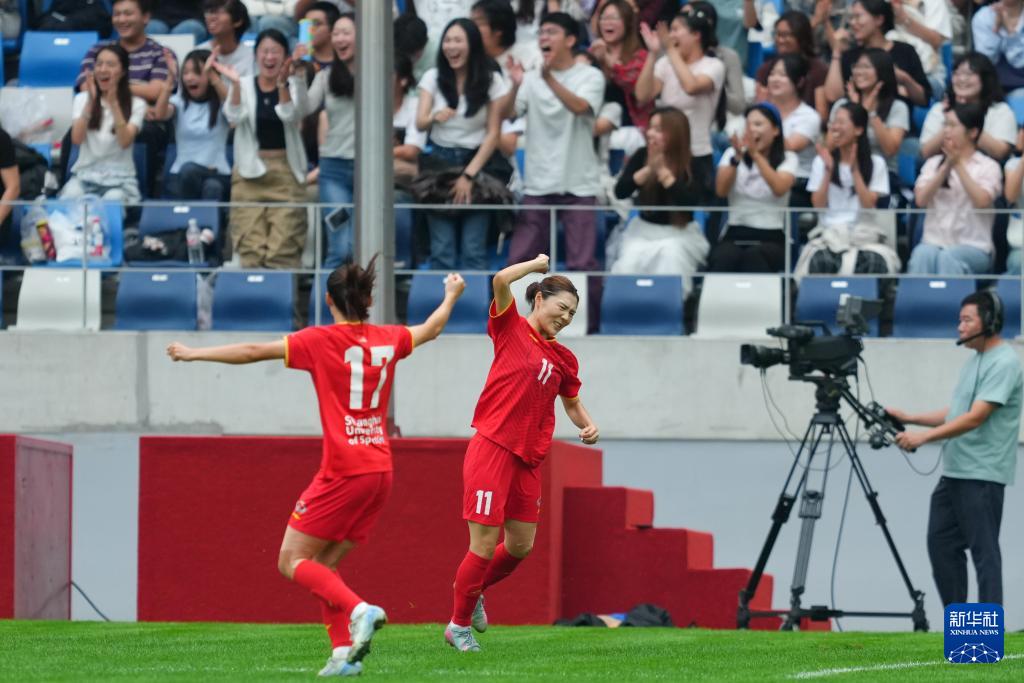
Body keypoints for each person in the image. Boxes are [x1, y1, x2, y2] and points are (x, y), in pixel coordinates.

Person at [167, 258, 468, 676]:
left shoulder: (319, 340)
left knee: (290, 560)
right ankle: (342, 654)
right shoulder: (390, 337)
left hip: (343, 470)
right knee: (322, 566)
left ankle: (360, 610)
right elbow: (431, 329)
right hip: (380, 471)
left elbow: (254, 351)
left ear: (328, 300)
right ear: (368, 301)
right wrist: (451, 295)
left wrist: (194, 353)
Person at [445, 253, 599, 653]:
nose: (566, 318)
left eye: (572, 314)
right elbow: (500, 280)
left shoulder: (564, 358)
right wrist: (535, 263)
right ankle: (458, 626)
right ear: (540, 299)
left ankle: (473, 590)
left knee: (520, 547)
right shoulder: (509, 327)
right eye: (562, 308)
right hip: (493, 446)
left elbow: (571, 402)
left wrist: (587, 423)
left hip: (529, 457)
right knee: (482, 545)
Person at [891, 290, 1023, 608]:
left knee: (984, 553)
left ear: (989, 321)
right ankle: (960, 623)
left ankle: (984, 631)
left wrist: (924, 438)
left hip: (981, 474)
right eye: (959, 320)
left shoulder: (1005, 363)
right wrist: (910, 417)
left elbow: (976, 417)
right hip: (956, 472)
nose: (959, 327)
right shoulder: (974, 361)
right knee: (941, 544)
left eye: (966, 320)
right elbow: (957, 412)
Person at [503, 12, 605, 273]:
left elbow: (580, 107)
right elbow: (508, 113)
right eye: (541, 33)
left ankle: (582, 304)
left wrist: (548, 79)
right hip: (538, 183)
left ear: (570, 40)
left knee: (581, 265)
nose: (543, 38)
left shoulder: (590, 76)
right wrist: (514, 86)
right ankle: (513, 304)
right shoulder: (530, 78)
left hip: (578, 183)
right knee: (520, 263)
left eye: (551, 32)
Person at [415, 18, 505, 271]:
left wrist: (469, 175)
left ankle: (476, 298)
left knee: (473, 250)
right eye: (447, 40)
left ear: (472, 45)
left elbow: (494, 133)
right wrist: (434, 117)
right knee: (441, 249)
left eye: (458, 40)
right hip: (439, 167)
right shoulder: (432, 77)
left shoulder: (491, 80)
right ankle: (443, 299)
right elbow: (420, 123)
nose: (451, 46)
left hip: (477, 165)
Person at [214, 29, 309, 269]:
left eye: (275, 51)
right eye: (264, 51)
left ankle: (284, 293)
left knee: (284, 248)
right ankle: (253, 292)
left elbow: (292, 114)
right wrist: (235, 84)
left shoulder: (295, 84)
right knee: (250, 248)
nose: (269, 57)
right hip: (248, 171)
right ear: (255, 55)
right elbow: (233, 115)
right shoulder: (244, 84)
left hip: (286, 172)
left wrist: (282, 84)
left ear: (285, 56)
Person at [610, 107, 707, 289]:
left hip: (679, 234)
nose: (650, 134)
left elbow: (690, 202)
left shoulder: (692, 163)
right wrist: (648, 169)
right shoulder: (641, 154)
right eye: (650, 128)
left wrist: (664, 173)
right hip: (643, 231)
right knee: (630, 261)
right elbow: (620, 192)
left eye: (658, 130)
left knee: (671, 256)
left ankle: (672, 303)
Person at [796, 101, 897, 276]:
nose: (835, 127)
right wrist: (828, 170)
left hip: (864, 235)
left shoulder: (876, 163)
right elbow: (818, 205)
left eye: (841, 122)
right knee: (820, 261)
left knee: (873, 263)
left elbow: (868, 205)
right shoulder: (821, 162)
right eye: (834, 122)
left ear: (858, 130)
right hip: (829, 234)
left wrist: (855, 171)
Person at [635, 8, 725, 203]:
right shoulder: (665, 63)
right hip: (664, 153)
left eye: (676, 29)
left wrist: (670, 50)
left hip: (697, 152)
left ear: (696, 35)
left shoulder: (713, 66)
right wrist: (653, 54)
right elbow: (642, 95)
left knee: (692, 209)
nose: (671, 35)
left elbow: (691, 86)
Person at [909, 102, 1002, 276]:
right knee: (921, 254)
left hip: (975, 247)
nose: (946, 130)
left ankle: (950, 295)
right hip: (933, 243)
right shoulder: (933, 164)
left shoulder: (989, 166)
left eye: (952, 125)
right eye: (945, 124)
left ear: (973, 132)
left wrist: (957, 165)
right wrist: (945, 167)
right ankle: (918, 295)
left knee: (949, 257)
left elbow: (982, 201)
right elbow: (920, 200)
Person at [709, 102, 797, 273]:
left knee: (755, 256)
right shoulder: (731, 155)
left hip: (772, 233)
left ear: (776, 130)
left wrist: (755, 155)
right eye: (748, 125)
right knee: (724, 256)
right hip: (736, 230)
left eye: (758, 124)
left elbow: (779, 188)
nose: (752, 130)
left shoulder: (788, 158)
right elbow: (721, 190)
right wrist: (736, 159)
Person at [297, 13, 356, 268]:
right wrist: (299, 76)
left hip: (369, 172)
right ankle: (324, 295)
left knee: (364, 246)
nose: (340, 39)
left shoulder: (379, 74)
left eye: (346, 33)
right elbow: (304, 108)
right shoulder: (326, 76)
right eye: (336, 33)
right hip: (334, 171)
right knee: (340, 247)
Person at [62, 44, 147, 203]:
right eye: (99, 64)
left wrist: (114, 103)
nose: (103, 69)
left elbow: (125, 141)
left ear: (123, 71)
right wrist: (90, 102)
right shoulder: (81, 99)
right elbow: (76, 139)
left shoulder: (137, 104)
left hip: (120, 180)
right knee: (70, 197)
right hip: (85, 176)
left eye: (110, 64)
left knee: (111, 201)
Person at [154, 48, 232, 203]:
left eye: (197, 72)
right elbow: (160, 114)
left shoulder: (222, 103)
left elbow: (234, 111)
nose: (190, 78)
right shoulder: (179, 102)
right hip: (182, 175)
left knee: (212, 185)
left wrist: (214, 77)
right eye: (186, 73)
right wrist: (170, 80)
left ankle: (200, 218)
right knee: (199, 178)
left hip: (218, 172)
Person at [824, 0, 931, 108]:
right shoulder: (850, 56)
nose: (852, 22)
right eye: (852, 18)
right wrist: (836, 51)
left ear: (879, 19)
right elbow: (833, 98)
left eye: (858, 16)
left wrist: (904, 79)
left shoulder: (905, 51)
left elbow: (924, 99)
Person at [918, 52, 1016, 164]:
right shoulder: (940, 109)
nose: (962, 79)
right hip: (946, 169)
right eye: (956, 74)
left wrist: (965, 119)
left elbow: (1000, 152)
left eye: (969, 74)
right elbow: (925, 153)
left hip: (985, 171)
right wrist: (950, 120)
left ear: (985, 79)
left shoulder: (1000, 110)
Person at [829, 48, 909, 179]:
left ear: (882, 70)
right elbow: (830, 145)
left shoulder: (898, 107)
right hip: (844, 170)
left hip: (882, 174)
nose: (859, 72)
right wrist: (854, 111)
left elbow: (890, 149)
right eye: (857, 66)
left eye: (866, 67)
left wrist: (870, 114)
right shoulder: (842, 105)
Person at [762, 54, 822, 209]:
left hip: (798, 182)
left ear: (799, 81)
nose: (775, 79)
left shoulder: (809, 116)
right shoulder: (760, 111)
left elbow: (790, 146)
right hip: (762, 177)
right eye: (772, 74)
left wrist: (760, 127)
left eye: (783, 75)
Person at [589, 0, 653, 129]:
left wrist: (612, 65)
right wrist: (592, 61)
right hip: (596, 121)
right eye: (603, 18)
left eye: (614, 18)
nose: (608, 22)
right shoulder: (593, 52)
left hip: (631, 127)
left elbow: (639, 96)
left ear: (627, 22)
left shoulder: (641, 57)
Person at [755, 10, 828, 108]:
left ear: (801, 37)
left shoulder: (818, 70)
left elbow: (821, 113)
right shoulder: (766, 69)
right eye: (778, 34)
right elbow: (759, 107)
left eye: (786, 35)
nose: (780, 40)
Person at [972, 0, 1024, 98]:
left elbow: (1019, 62)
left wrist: (1010, 32)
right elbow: (986, 61)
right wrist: (996, 30)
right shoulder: (984, 16)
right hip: (992, 87)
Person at [199, 0, 254, 77]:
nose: (211, 17)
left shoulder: (251, 56)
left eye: (218, 13)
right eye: (209, 13)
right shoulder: (198, 53)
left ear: (238, 21)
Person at [301, 1, 342, 69]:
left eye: (315, 24)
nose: (309, 29)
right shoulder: (299, 60)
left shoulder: (346, 62)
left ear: (333, 28)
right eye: (307, 24)